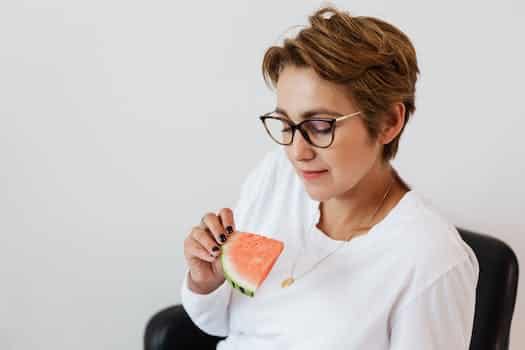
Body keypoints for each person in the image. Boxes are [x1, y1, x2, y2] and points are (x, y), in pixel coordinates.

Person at [181, 5, 479, 349]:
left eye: (320, 126)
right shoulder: (278, 177)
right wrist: (207, 282)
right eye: (286, 125)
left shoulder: (430, 260)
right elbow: (223, 324)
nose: (297, 152)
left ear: (388, 122)